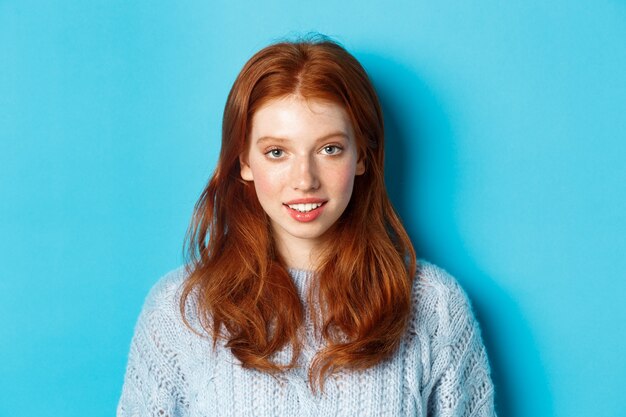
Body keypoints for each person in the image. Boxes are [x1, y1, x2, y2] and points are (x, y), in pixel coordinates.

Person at [117, 36, 496, 417]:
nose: (304, 179)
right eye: (277, 152)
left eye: (329, 148)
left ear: (362, 155)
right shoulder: (180, 312)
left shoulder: (433, 307)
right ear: (244, 161)